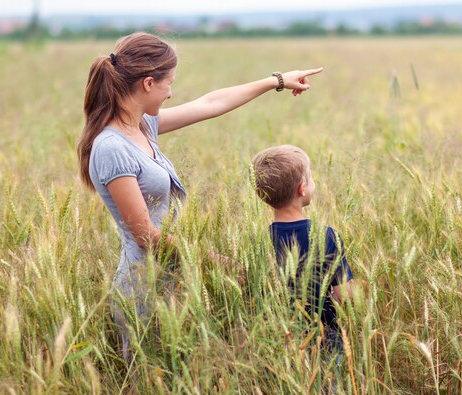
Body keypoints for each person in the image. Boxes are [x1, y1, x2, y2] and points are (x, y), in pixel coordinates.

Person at [77, 32, 322, 362]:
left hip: (174, 280)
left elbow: (210, 104)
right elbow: (146, 236)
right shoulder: (111, 148)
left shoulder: (141, 126)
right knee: (151, 390)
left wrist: (276, 81)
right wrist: (219, 264)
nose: (171, 93)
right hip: (144, 290)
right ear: (148, 83)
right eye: (169, 84)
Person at [251, 145, 355, 353]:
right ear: (302, 188)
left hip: (277, 337)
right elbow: (345, 294)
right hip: (326, 336)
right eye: (311, 177)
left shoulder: (260, 241)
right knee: (327, 384)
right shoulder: (326, 236)